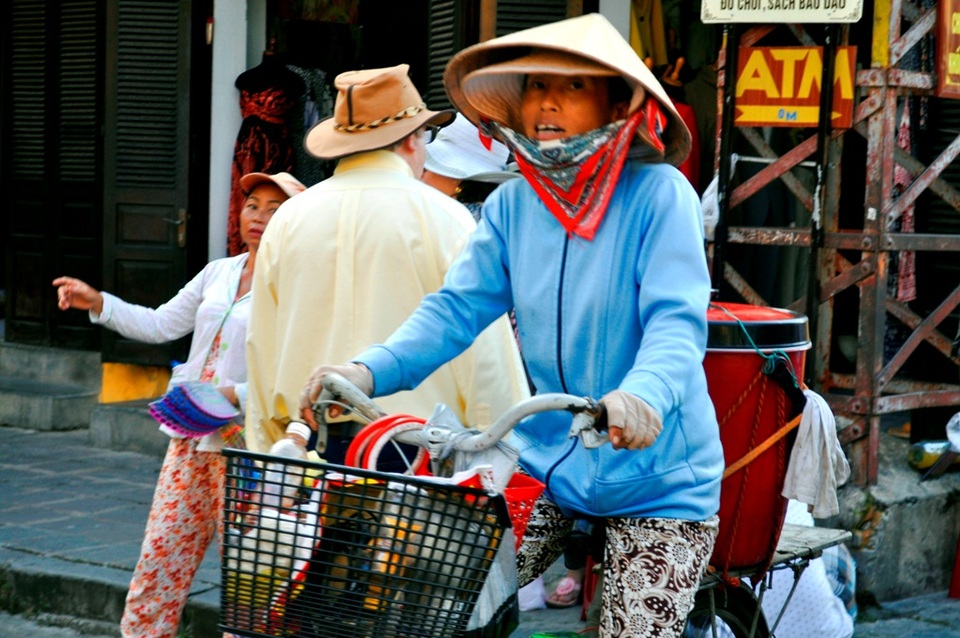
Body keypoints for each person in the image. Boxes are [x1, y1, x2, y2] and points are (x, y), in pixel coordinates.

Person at [300, 13, 723, 638]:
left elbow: (675, 322)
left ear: (616, 103)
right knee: (446, 598)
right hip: (551, 464)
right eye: (533, 87)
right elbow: (454, 311)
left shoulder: (660, 195)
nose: (546, 102)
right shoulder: (513, 204)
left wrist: (642, 396)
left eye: (572, 87)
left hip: (658, 482)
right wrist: (366, 368)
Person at [53, 171, 306, 638]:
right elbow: (160, 324)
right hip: (190, 438)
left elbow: (303, 373)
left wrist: (239, 395)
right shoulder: (219, 271)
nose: (260, 217)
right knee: (160, 556)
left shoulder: (300, 287)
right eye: (253, 205)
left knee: (253, 578)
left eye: (276, 210)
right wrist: (98, 302)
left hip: (251, 450)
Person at [244, 64, 529, 460]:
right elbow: (485, 354)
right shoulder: (444, 217)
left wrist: (266, 442)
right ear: (413, 140)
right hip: (415, 447)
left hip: (306, 440)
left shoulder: (289, 217)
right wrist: (501, 443)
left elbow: (261, 346)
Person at [421, 112, 513, 220]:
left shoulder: (460, 220)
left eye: (425, 169)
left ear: (456, 179)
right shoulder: (494, 214)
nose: (419, 175)